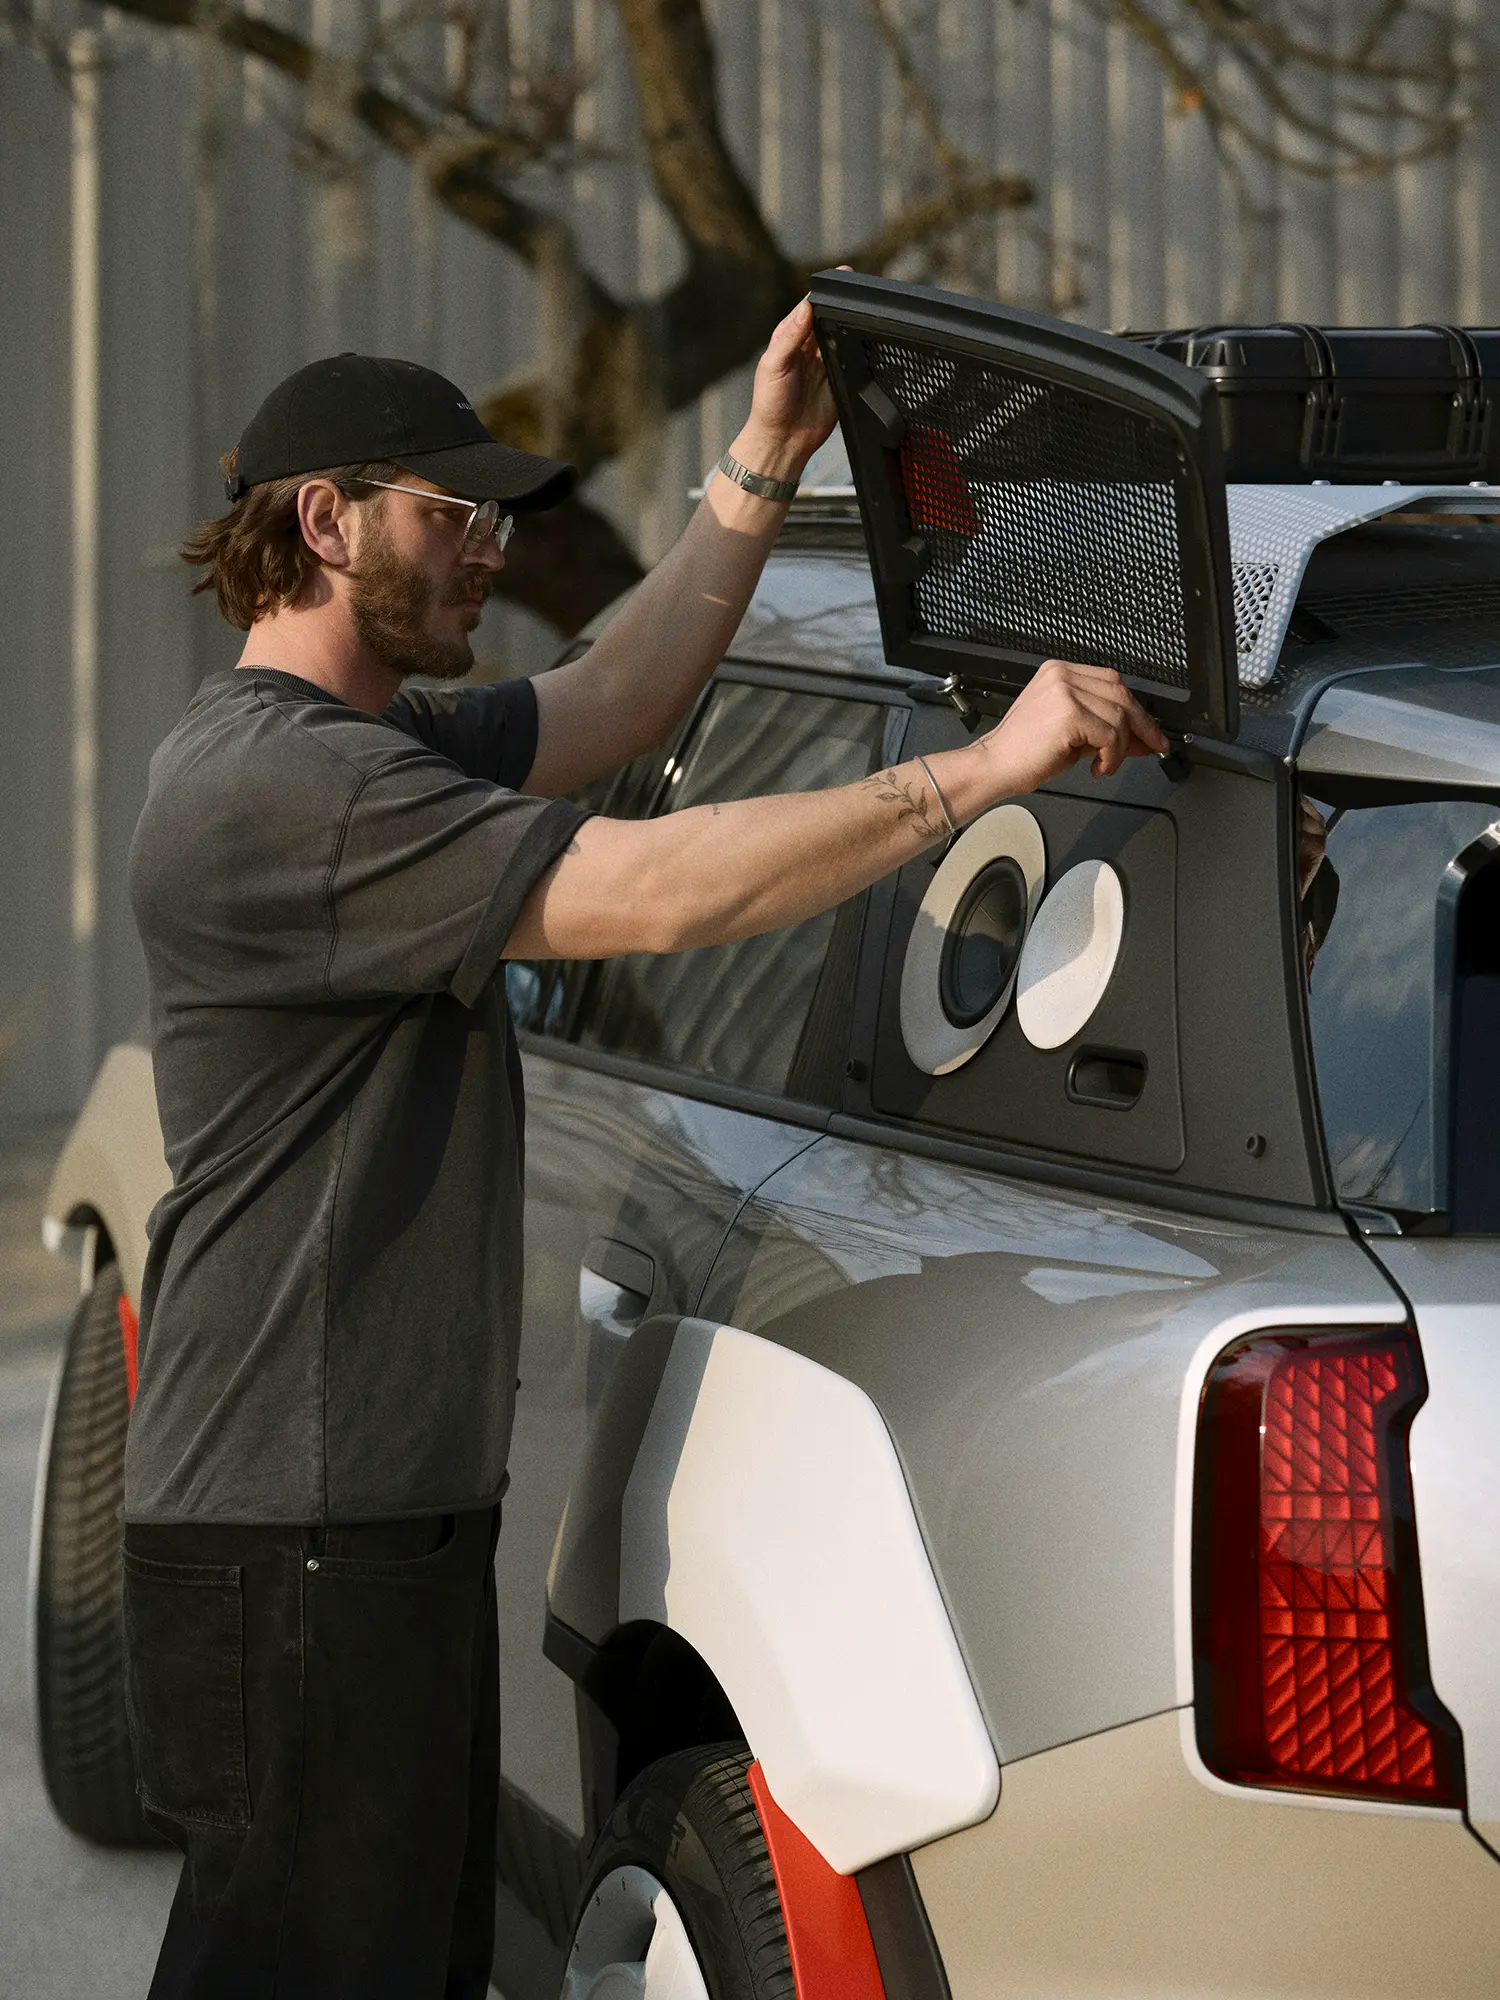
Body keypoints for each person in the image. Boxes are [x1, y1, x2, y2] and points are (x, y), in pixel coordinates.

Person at [121, 307, 1167, 1999]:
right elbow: (666, 891)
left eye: (495, 517)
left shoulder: (367, 750)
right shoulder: (289, 797)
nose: (486, 548)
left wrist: (772, 450)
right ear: (324, 524)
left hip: (355, 1522)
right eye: (446, 514)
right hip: (296, 1539)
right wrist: (980, 772)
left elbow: (615, 697)